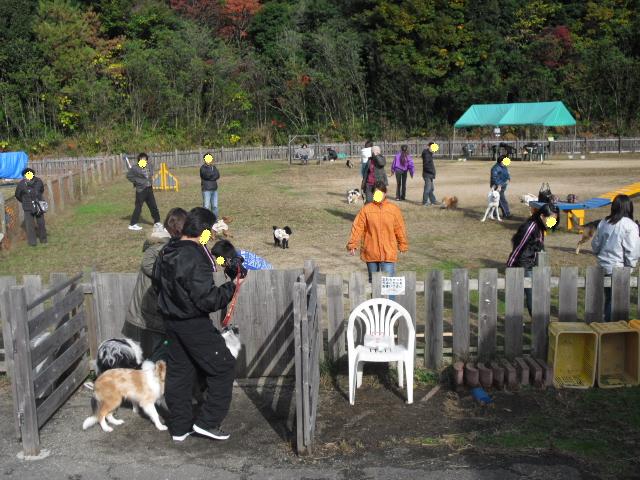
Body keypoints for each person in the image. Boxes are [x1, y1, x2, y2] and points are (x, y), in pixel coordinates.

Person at [156, 207, 242, 442]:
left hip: (171, 322)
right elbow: (207, 300)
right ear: (203, 231)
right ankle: (208, 422)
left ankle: (180, 427)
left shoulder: (167, 251)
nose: (212, 235)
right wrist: (232, 286)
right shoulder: (194, 257)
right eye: (210, 231)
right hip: (193, 323)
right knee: (223, 366)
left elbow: (158, 286)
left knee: (180, 373)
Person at [122, 208, 188, 359]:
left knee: (158, 357)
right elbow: (161, 273)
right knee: (155, 359)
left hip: (155, 315)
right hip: (151, 316)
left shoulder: (167, 247)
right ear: (178, 229)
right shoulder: (159, 250)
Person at [347, 181, 408, 282]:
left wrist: (402, 244)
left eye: (381, 192)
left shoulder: (393, 210)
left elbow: (399, 228)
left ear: (385, 193)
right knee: (374, 283)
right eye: (376, 193)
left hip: (388, 253)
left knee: (388, 284)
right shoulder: (366, 210)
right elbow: (357, 227)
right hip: (371, 252)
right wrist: (352, 244)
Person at [591, 194, 640, 322]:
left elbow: (595, 245)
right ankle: (610, 328)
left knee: (609, 299)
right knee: (616, 302)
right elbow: (633, 250)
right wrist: (631, 266)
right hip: (620, 268)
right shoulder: (630, 225)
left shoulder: (604, 222)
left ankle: (607, 325)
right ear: (629, 207)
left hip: (603, 267)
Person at [506, 203, 558, 315]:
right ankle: (536, 320)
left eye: (555, 220)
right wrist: (510, 266)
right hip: (524, 265)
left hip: (532, 264)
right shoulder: (530, 227)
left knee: (535, 293)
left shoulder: (540, 227)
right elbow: (518, 248)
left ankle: (536, 318)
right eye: (551, 219)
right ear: (542, 216)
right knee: (532, 295)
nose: (553, 222)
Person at [127, 152, 162, 231]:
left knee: (153, 206)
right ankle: (132, 224)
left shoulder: (149, 166)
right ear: (139, 160)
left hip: (149, 189)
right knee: (138, 207)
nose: (144, 160)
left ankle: (157, 222)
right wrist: (137, 181)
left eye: (145, 159)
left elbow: (151, 174)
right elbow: (129, 176)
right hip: (141, 190)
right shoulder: (135, 168)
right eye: (142, 159)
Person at [14, 167, 47, 246]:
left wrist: (38, 198)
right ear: (24, 176)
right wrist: (24, 201)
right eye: (26, 174)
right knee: (30, 225)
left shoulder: (38, 181)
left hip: (38, 205)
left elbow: (42, 190)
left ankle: (43, 239)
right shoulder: (21, 184)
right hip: (27, 207)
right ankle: (32, 242)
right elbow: (17, 195)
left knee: (41, 223)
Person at [200, 153, 220, 218]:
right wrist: (213, 176)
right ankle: (205, 220)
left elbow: (217, 175)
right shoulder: (202, 168)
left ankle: (215, 220)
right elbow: (206, 175)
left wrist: (212, 176)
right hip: (206, 190)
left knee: (215, 206)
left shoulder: (214, 167)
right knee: (206, 206)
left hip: (214, 189)